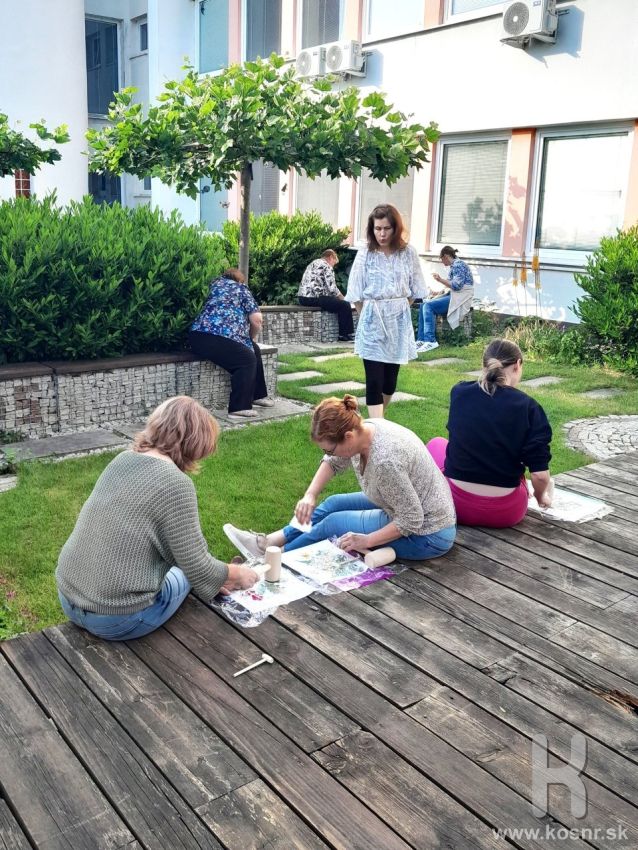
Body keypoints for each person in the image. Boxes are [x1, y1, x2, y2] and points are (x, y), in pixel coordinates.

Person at [56, 396, 258, 640]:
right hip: (117, 618)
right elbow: (196, 565)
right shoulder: (176, 484)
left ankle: (220, 578)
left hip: (68, 598)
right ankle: (226, 578)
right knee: (186, 575)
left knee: (191, 569)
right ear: (197, 444)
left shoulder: (122, 459)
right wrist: (238, 574)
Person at [223, 394, 456, 563]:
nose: (329, 455)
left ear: (348, 437)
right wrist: (310, 495)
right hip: (399, 507)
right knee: (333, 503)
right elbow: (334, 461)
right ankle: (267, 544)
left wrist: (367, 541)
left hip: (428, 535)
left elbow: (412, 520)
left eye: (329, 449)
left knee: (333, 524)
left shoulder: (385, 461)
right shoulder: (365, 429)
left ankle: (274, 560)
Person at [426, 339, 553, 528]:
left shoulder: (459, 392)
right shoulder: (529, 407)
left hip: (454, 504)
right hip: (506, 512)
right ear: (517, 365)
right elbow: (540, 475)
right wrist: (542, 497)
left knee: (437, 443)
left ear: (483, 364)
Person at [346, 204, 427, 418]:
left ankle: (378, 421)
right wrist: (367, 317)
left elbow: (416, 288)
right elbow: (355, 291)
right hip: (372, 320)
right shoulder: (366, 252)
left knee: (390, 381)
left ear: (396, 228)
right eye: (377, 228)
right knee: (374, 379)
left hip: (398, 322)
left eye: (386, 228)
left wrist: (400, 307)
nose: (381, 234)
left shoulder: (408, 253)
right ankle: (377, 426)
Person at [188, 268, 274, 420]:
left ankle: (257, 395)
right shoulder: (240, 288)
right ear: (240, 280)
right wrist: (251, 336)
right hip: (217, 337)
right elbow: (257, 320)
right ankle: (238, 408)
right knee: (247, 359)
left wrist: (247, 341)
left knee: (254, 349)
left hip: (197, 337)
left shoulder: (212, 286)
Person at [416, 245, 474, 352]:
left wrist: (440, 279)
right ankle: (421, 340)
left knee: (428, 306)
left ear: (446, 256)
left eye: (442, 259)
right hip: (455, 294)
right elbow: (450, 286)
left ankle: (430, 341)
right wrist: (437, 293)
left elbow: (456, 286)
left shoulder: (458, 265)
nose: (442, 262)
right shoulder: (454, 266)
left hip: (461, 297)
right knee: (423, 304)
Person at [298, 249, 355, 341]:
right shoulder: (326, 266)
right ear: (331, 257)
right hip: (314, 298)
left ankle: (345, 334)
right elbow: (332, 289)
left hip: (302, 298)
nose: (333, 266)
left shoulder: (313, 263)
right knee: (344, 305)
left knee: (337, 302)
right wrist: (344, 299)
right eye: (334, 263)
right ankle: (344, 335)